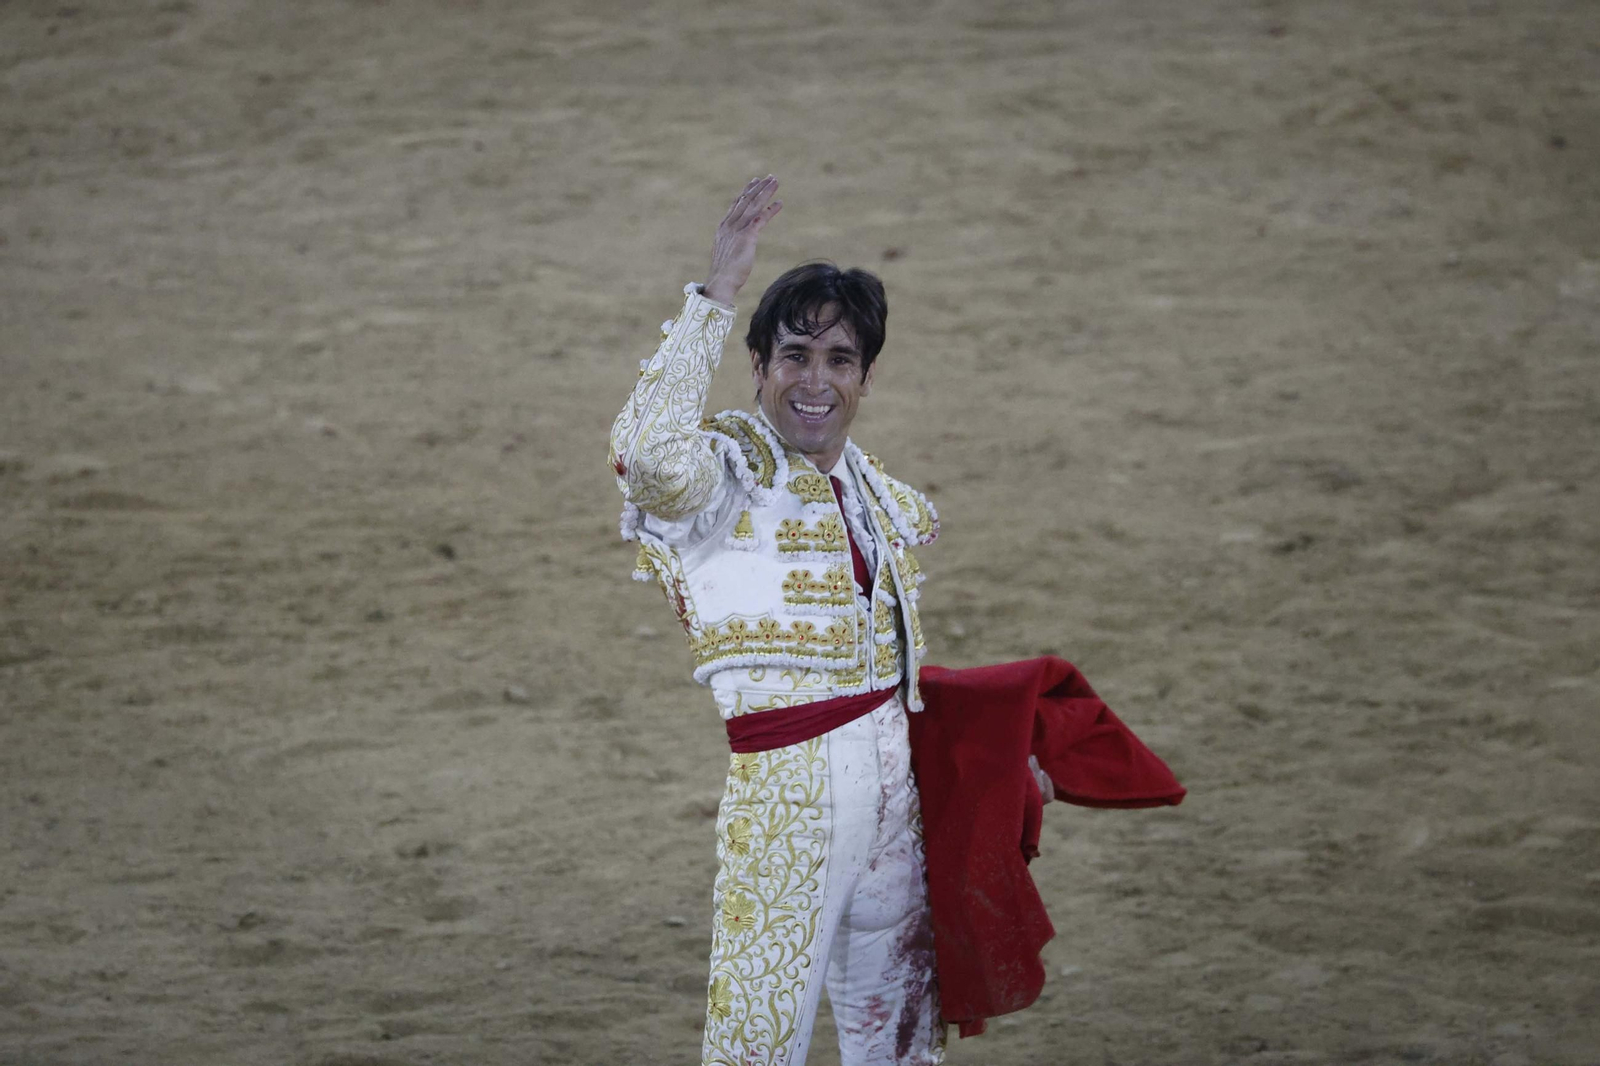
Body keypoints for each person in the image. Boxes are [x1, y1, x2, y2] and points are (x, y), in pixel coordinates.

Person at [608, 175, 945, 1066]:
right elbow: (646, 456)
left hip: (895, 800)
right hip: (786, 797)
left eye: (839, 360)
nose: (815, 380)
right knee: (757, 1042)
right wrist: (715, 295)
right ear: (757, 367)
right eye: (793, 355)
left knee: (902, 1041)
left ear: (865, 377)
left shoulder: (876, 491)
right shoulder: (724, 475)